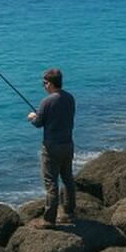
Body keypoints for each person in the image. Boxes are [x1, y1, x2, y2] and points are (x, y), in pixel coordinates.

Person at [28, 67, 76, 227]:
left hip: (51, 148)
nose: (43, 86)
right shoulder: (70, 98)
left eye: (44, 83)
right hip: (68, 145)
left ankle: (49, 220)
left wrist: (32, 117)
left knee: (51, 184)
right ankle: (69, 213)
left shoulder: (47, 101)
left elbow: (38, 123)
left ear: (50, 83)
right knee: (68, 179)